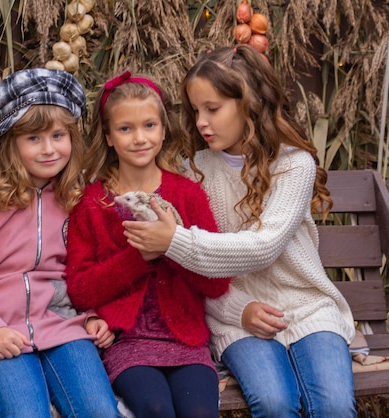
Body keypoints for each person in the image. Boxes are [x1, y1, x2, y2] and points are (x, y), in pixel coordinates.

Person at [123, 46, 357, 418]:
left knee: (334, 405)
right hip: (234, 316)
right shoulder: (194, 170)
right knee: (275, 403)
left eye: (212, 109)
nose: (201, 121)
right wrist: (238, 310)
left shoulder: (294, 165)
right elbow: (190, 272)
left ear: (249, 102)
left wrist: (175, 240)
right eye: (196, 110)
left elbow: (264, 246)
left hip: (306, 308)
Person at [0, 68, 121, 418]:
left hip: (63, 327)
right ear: (10, 142)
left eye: (58, 135)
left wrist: (92, 316)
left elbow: (86, 271)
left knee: (100, 411)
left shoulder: (76, 198)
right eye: (33, 139)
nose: (48, 149)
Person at [65, 70, 231, 418]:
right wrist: (139, 257)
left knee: (200, 411)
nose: (139, 138)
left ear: (164, 129)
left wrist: (173, 245)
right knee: (155, 408)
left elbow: (217, 283)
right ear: (109, 137)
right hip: (128, 343)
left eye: (149, 126)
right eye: (126, 129)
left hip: (186, 341)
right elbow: (81, 289)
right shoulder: (94, 203)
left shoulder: (187, 195)